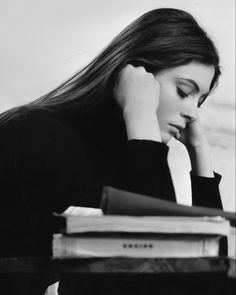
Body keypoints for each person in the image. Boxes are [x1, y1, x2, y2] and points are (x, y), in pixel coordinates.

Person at [0, 7, 225, 295]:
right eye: (184, 91)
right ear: (136, 77)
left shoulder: (136, 161)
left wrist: (200, 157)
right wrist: (141, 117)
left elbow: (210, 283)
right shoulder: (39, 136)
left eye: (200, 101)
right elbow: (154, 279)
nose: (193, 113)